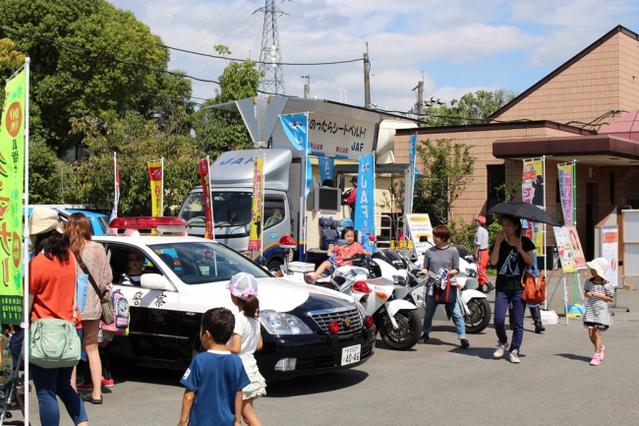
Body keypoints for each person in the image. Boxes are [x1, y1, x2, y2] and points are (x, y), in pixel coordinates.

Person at [29, 206, 89, 426]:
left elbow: (29, 302)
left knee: (46, 391)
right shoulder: (69, 259)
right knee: (65, 386)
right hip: (68, 332)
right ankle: (83, 423)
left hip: (45, 335)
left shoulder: (38, 263)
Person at [66, 213, 113, 404]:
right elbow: (107, 278)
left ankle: (71, 392)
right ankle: (96, 392)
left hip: (71, 305)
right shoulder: (98, 248)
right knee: (92, 347)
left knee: (72, 351)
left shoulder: (67, 250)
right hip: (92, 305)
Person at [178, 307, 249, 426]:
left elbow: (189, 396)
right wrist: (237, 420)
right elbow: (239, 393)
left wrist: (182, 421)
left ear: (206, 334)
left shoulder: (199, 360)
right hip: (227, 422)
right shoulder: (236, 361)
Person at [490, 215, 535, 364]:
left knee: (518, 322)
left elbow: (531, 263)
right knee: (498, 320)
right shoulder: (500, 242)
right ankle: (503, 342)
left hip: (519, 288)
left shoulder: (526, 242)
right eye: (503, 225)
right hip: (502, 287)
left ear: (516, 226)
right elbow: (493, 262)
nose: (505, 228)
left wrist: (520, 249)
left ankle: (514, 349)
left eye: (508, 225)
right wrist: (497, 242)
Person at [420, 225, 469, 349]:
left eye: (436, 236)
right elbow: (425, 267)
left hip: (449, 286)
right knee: (429, 313)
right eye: (434, 236)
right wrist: (424, 271)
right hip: (432, 286)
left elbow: (456, 269)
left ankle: (462, 337)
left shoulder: (453, 251)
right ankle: (425, 333)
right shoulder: (429, 251)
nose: (434, 238)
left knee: (456, 313)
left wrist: (446, 273)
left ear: (444, 238)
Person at [227, 273, 267, 426]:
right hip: (251, 368)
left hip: (239, 370)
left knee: (243, 416)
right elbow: (259, 345)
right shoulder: (256, 318)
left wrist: (222, 347)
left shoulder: (238, 319)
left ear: (234, 297)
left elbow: (236, 348)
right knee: (246, 414)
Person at [304, 228, 371, 283]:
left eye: (352, 236)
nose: (350, 238)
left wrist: (370, 253)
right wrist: (329, 253)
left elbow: (363, 251)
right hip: (335, 265)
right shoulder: (340, 245)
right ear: (343, 237)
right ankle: (314, 276)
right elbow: (331, 250)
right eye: (348, 236)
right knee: (325, 263)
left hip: (347, 267)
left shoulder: (356, 245)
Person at [583, 257, 614, 366]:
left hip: (601, 309)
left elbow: (610, 298)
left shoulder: (607, 284)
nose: (591, 271)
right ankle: (600, 347)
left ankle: (596, 355)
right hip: (591, 308)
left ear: (599, 271)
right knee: (591, 334)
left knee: (597, 332)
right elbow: (586, 292)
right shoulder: (588, 282)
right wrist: (588, 294)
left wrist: (597, 295)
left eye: (593, 269)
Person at [473, 215, 493, 293]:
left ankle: (489, 284)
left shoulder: (480, 230)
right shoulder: (484, 230)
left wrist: (476, 252)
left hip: (481, 251)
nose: (475, 222)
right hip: (485, 252)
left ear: (479, 222)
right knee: (482, 269)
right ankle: (480, 286)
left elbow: (479, 243)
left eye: (476, 221)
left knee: (480, 269)